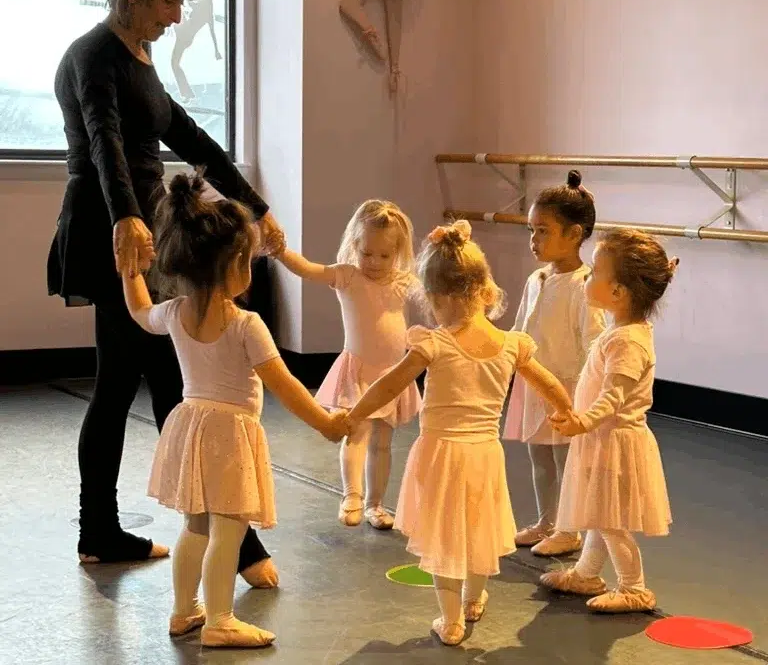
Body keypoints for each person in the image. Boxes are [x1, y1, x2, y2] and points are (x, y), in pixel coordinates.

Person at [47, 0, 284, 586]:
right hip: (111, 231)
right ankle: (223, 541)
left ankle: (116, 531)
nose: (177, 15)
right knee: (151, 383)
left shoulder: (139, 58)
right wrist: (127, 215)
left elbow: (192, 138)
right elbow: (104, 141)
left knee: (159, 384)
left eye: (181, 2)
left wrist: (256, 208)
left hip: (143, 230)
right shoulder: (94, 56)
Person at [121, 174, 348, 647]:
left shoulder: (176, 310)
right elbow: (284, 384)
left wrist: (131, 273)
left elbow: (140, 313)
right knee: (229, 529)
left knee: (195, 527)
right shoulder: (247, 324)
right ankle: (221, 620)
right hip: (229, 432)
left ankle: (185, 612)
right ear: (234, 265)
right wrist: (327, 423)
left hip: (189, 424)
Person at [344, 221, 573, 646]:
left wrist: (354, 414)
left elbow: (390, 384)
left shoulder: (435, 343)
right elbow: (549, 382)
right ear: (486, 292)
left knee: (444, 536)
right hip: (485, 453)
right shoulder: (511, 344)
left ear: (437, 297)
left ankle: (450, 620)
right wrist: (568, 412)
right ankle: (474, 597)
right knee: (478, 527)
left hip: (442, 453)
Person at [541, 229, 677, 613]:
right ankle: (587, 572)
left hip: (614, 441)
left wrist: (582, 422)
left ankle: (635, 587)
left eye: (595, 271)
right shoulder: (620, 332)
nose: (587, 276)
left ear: (617, 292)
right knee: (601, 512)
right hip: (603, 439)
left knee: (611, 520)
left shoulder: (627, 342)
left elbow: (613, 399)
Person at [275, 200, 420, 530]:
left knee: (383, 443)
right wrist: (281, 251)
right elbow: (308, 269)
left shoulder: (402, 281)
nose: (375, 262)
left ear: (398, 252)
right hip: (360, 371)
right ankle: (351, 495)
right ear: (356, 245)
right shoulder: (347, 276)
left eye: (385, 255)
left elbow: (435, 286)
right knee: (356, 432)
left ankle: (376, 504)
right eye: (368, 253)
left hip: (393, 373)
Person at [502, 171, 606, 557]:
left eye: (543, 231)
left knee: (567, 460)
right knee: (539, 456)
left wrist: (584, 396)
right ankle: (547, 521)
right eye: (532, 230)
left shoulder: (585, 284)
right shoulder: (537, 278)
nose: (534, 240)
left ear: (575, 234)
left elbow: (593, 341)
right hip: (534, 384)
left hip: (566, 388)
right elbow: (520, 329)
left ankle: (569, 529)